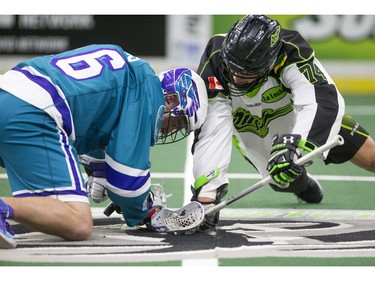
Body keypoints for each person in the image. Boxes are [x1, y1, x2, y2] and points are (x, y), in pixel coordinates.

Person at [0, 44, 208, 249]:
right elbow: (127, 186)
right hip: (33, 111)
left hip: (9, 92)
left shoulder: (131, 71)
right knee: (77, 221)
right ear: (171, 99)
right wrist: (146, 209)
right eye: (178, 123)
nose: (170, 130)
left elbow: (93, 113)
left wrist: (98, 168)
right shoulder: (146, 92)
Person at [191, 14, 375, 230]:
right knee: (282, 180)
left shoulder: (291, 51)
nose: (235, 77)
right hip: (250, 124)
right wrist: (207, 193)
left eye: (246, 72)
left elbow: (320, 100)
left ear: (270, 60)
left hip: (298, 114)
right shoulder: (215, 55)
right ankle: (303, 185)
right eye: (231, 67)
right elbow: (213, 126)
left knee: (371, 158)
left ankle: (295, 164)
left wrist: (294, 146)